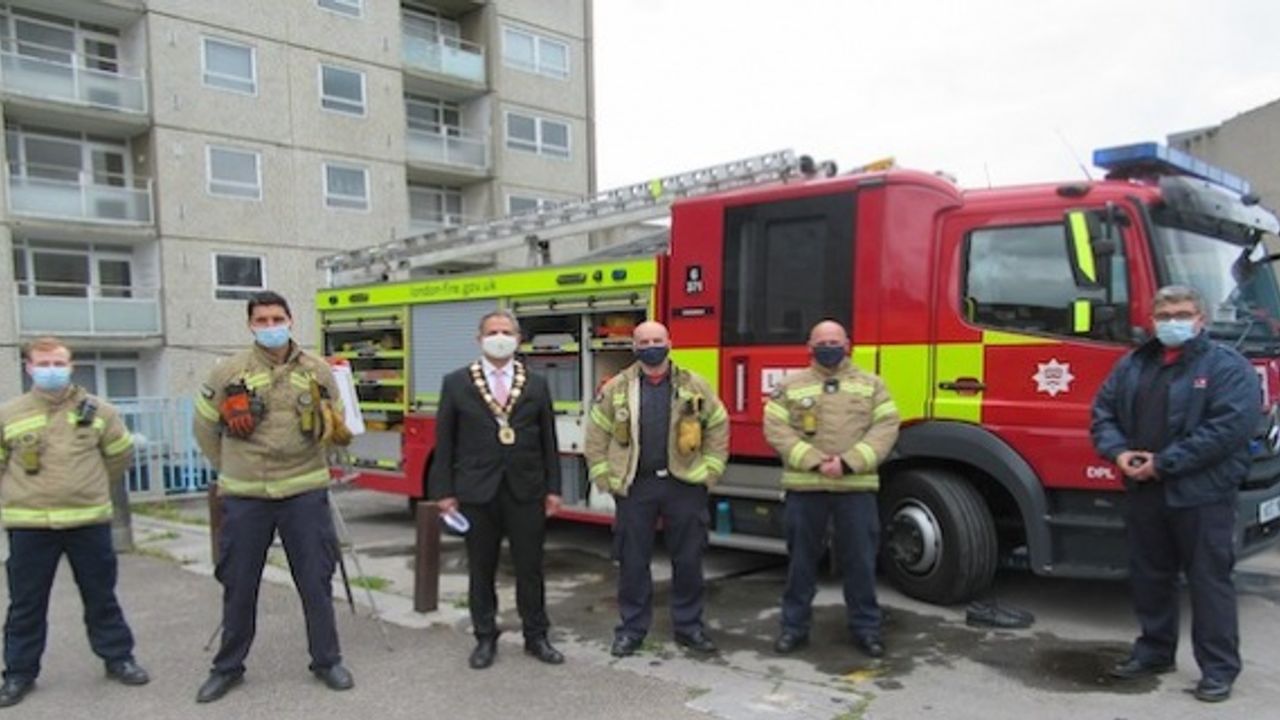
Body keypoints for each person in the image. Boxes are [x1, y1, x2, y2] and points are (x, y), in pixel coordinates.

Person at [1091, 285, 1259, 703]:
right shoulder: (1133, 364)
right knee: (1150, 576)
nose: (1172, 323)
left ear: (1201, 319)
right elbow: (1103, 414)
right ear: (1152, 320)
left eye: (1182, 315)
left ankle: (1218, 669)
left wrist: (1163, 463)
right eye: (1164, 316)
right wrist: (1119, 452)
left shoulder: (1227, 367)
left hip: (1202, 494)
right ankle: (1154, 651)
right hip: (1145, 490)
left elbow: (1227, 430)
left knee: (1208, 582)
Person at [192, 291, 354, 703]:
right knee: (239, 584)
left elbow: (335, 424)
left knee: (316, 581)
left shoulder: (318, 370)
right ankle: (228, 668)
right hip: (247, 495)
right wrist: (231, 466)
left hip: (304, 490)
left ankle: (327, 661)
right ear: (250, 325)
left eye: (277, 319)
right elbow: (204, 428)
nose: (270, 326)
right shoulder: (228, 371)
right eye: (261, 320)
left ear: (290, 320)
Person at [0, 337, 148, 708]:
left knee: (101, 597)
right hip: (30, 525)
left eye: (58, 363)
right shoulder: (9, 414)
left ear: (71, 366)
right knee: (26, 604)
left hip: (88, 520)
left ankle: (118, 658)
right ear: (29, 368)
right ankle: (18, 673)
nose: (51, 370)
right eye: (43, 363)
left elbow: (119, 456)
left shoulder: (99, 411)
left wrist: (89, 487)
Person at [428, 310, 564, 670]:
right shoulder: (456, 383)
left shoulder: (536, 383)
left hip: (526, 489)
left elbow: (548, 440)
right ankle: (485, 637)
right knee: (481, 568)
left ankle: (536, 636)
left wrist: (553, 488)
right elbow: (445, 442)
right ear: (479, 339)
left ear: (518, 339)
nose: (499, 337)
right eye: (492, 332)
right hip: (476, 491)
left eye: (506, 332)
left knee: (530, 568)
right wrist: (444, 492)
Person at [584, 321, 729, 658]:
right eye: (644, 341)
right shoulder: (616, 388)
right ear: (634, 347)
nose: (651, 346)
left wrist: (710, 472)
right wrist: (605, 477)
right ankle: (631, 630)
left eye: (657, 340)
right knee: (633, 562)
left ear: (669, 343)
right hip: (637, 485)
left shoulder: (694, 384)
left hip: (684, 484)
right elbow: (596, 434)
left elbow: (718, 425)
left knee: (688, 560)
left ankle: (689, 627)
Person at [763, 320, 900, 658]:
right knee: (801, 565)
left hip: (855, 487)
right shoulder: (789, 386)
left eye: (834, 341)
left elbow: (886, 427)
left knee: (861, 563)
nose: (829, 347)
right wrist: (813, 461)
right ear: (809, 347)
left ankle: (866, 629)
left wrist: (849, 463)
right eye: (822, 342)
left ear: (848, 345)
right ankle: (793, 628)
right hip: (805, 488)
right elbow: (776, 428)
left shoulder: (872, 385)